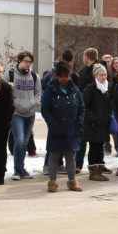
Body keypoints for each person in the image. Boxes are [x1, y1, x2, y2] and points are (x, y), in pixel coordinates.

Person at [41, 62, 84, 192]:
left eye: (66, 76)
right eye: (61, 76)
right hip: (56, 127)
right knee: (54, 156)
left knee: (70, 156)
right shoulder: (51, 90)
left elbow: (81, 108)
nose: (64, 79)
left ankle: (72, 181)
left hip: (72, 128)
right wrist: (52, 123)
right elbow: (45, 109)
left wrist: (79, 122)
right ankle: (52, 182)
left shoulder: (75, 90)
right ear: (57, 76)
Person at [4, 52, 40, 181]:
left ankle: (21, 168)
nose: (27, 64)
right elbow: (3, 91)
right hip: (16, 113)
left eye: (29, 62)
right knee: (19, 141)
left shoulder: (35, 76)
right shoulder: (10, 74)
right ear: (19, 61)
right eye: (25, 61)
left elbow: (38, 93)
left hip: (30, 114)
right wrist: (12, 105)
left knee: (25, 142)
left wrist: (33, 104)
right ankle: (16, 170)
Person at [82, 64, 112, 181]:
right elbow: (85, 106)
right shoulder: (90, 88)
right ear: (96, 75)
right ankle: (93, 172)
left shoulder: (108, 87)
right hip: (93, 124)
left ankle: (100, 170)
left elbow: (110, 103)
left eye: (105, 74)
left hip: (104, 123)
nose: (103, 77)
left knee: (100, 147)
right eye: (101, 75)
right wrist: (93, 117)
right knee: (94, 147)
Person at [74, 47, 100, 171]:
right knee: (85, 138)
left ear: (87, 57)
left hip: (91, 108)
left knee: (86, 138)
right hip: (86, 108)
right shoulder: (85, 70)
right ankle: (80, 163)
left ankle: (85, 164)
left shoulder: (95, 69)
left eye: (83, 56)